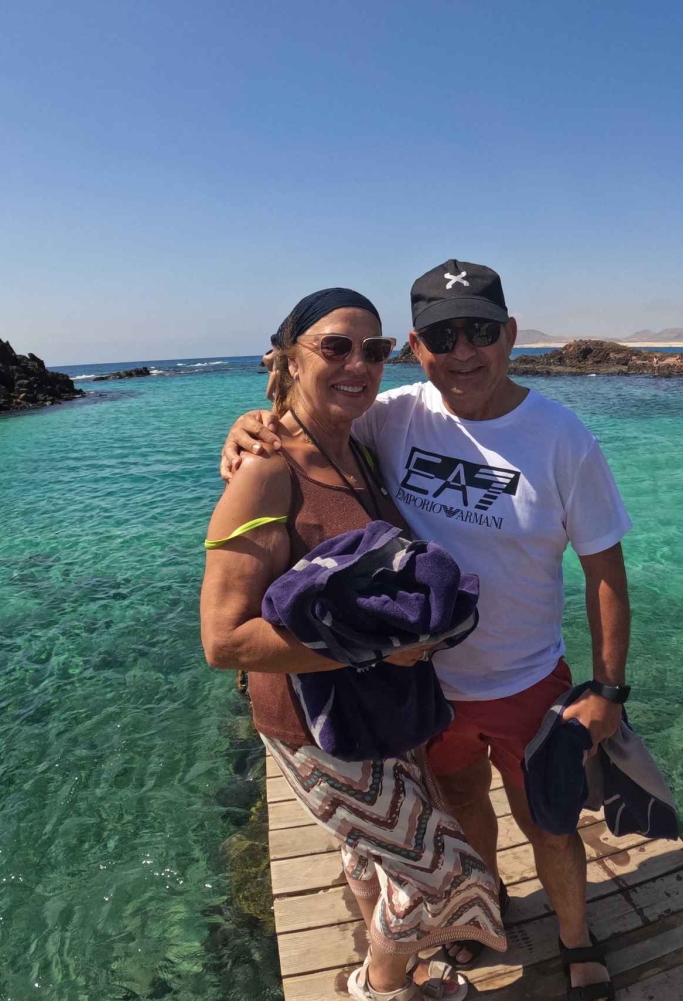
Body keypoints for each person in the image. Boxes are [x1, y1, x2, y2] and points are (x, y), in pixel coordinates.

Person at [220, 261, 633, 1000]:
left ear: (510, 335)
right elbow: (308, 420)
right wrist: (251, 425)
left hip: (527, 678)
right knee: (464, 808)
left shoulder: (563, 438)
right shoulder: (393, 414)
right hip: (427, 692)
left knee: (551, 825)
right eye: (443, 336)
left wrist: (608, 688)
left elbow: (605, 569)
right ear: (417, 347)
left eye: (481, 331)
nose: (463, 351)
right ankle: (482, 911)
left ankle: (577, 937)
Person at [201, 288, 504, 1001]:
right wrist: (375, 649)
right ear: (288, 358)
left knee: (367, 854)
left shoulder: (360, 450)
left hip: (382, 709)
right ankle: (381, 981)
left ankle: (399, 971)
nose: (358, 364)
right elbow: (224, 639)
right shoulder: (268, 469)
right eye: (335, 346)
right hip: (313, 726)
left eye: (375, 350)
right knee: (443, 876)